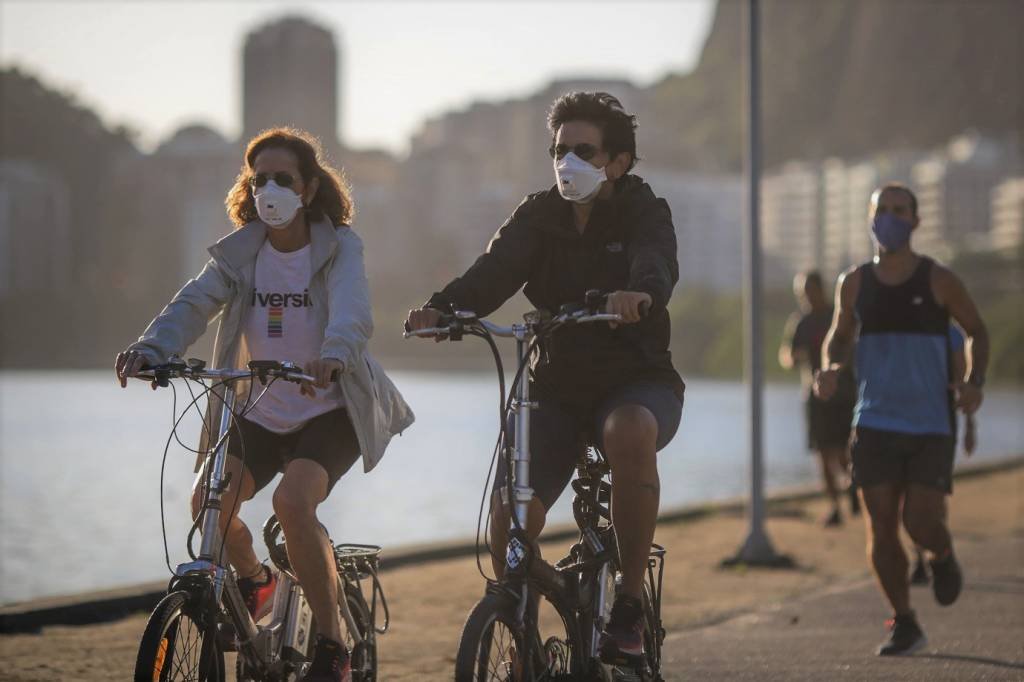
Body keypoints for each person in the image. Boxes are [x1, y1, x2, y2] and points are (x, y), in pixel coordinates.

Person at [115, 128, 414, 682]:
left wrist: (335, 353)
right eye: (259, 180)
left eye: (283, 179)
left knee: (293, 506)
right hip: (257, 410)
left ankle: (333, 644)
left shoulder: (338, 245)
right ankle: (257, 583)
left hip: (329, 406)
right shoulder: (240, 252)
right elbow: (193, 303)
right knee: (211, 502)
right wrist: (152, 349)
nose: (269, 189)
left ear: (308, 188)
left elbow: (352, 307)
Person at [406, 92, 683, 665]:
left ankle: (628, 606)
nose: (568, 162)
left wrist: (641, 294)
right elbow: (492, 273)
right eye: (560, 150)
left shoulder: (642, 209)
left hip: (635, 380)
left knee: (630, 431)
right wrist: (441, 309)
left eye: (584, 151)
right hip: (554, 387)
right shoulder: (538, 215)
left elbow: (655, 259)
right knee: (511, 513)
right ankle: (519, 627)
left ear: (618, 161)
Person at [815, 183, 988, 656]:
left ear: (915, 221)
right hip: (873, 421)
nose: (889, 218)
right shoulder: (854, 282)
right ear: (870, 219)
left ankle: (942, 552)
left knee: (921, 521)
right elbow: (837, 336)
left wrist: (974, 382)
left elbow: (976, 331)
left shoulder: (939, 280)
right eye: (882, 211)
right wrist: (830, 367)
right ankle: (904, 621)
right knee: (882, 526)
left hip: (931, 423)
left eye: (899, 211)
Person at [779, 271, 858, 527]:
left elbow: (853, 347)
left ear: (820, 290)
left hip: (844, 394)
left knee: (846, 451)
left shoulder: (838, 316)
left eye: (809, 292)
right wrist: (792, 358)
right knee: (823, 454)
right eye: (801, 294)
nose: (806, 298)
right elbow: (787, 355)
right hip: (814, 398)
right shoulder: (801, 322)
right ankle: (835, 506)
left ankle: (853, 487)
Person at [910, 324, 977, 585]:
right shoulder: (905, 327)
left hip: (940, 425)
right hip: (904, 422)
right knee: (909, 495)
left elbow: (963, 384)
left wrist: (970, 425)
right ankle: (919, 558)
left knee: (934, 498)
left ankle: (939, 553)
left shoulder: (952, 336)